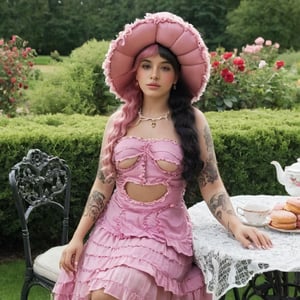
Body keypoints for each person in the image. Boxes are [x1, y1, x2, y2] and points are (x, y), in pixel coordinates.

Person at [53, 12, 272, 300]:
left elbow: (211, 182)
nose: (154, 75)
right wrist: (78, 237)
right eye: (146, 66)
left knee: (106, 295)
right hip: (113, 231)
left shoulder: (194, 121)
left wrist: (236, 224)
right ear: (136, 72)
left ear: (176, 76)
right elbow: (103, 183)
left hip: (162, 235)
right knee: (96, 294)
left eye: (164, 67)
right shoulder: (119, 120)